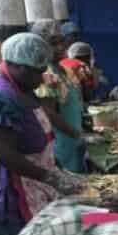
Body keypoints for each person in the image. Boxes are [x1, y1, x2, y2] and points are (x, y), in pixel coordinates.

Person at [0, 33, 82, 235]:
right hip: (14, 187)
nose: (41, 78)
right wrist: (51, 177)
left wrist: (58, 170)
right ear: (20, 66)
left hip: (36, 179)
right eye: (38, 71)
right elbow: (2, 152)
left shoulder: (21, 84)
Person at [32, 21, 86, 174]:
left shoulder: (63, 70)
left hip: (73, 139)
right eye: (53, 44)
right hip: (61, 144)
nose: (60, 48)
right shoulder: (45, 74)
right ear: (41, 46)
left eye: (61, 41)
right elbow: (48, 113)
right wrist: (75, 134)